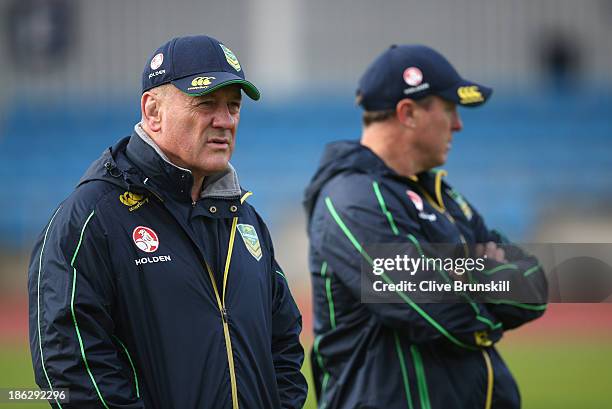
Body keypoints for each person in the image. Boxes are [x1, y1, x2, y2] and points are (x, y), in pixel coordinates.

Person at [28, 35, 307, 409]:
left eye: (234, 107)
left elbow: (284, 342)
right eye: (206, 103)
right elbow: (68, 364)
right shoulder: (92, 218)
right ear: (153, 111)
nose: (225, 121)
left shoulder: (246, 219)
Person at [303, 45, 548, 409]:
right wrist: (484, 273)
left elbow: (534, 286)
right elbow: (436, 309)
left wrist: (454, 275)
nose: (459, 124)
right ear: (408, 113)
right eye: (449, 109)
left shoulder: (442, 195)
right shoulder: (351, 199)